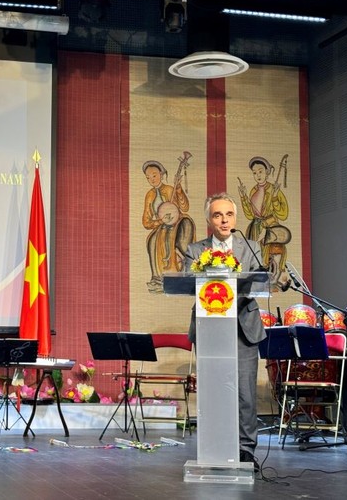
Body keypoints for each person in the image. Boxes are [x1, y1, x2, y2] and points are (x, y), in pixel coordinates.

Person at [185, 192, 265, 470]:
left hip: (243, 328)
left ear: (235, 217)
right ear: (209, 219)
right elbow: (187, 281)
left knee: (245, 394)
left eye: (228, 214)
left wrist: (232, 290)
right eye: (218, 215)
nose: (224, 220)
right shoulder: (196, 250)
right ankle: (213, 448)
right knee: (213, 392)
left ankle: (246, 450)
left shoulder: (251, 247)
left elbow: (258, 283)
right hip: (210, 330)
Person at [142, 159, 195, 293]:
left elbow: (184, 207)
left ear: (161, 173)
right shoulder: (149, 195)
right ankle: (157, 277)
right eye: (148, 177)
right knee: (152, 240)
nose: (152, 179)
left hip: (178, 221)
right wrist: (160, 221)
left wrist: (178, 190)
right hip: (162, 225)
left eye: (154, 175)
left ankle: (185, 271)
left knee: (182, 234)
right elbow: (146, 221)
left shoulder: (170, 189)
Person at [237, 156, 290, 287]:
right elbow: (250, 214)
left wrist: (275, 198)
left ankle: (275, 278)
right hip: (255, 228)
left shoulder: (273, 189)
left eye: (260, 171)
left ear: (267, 171)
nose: (258, 175)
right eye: (255, 173)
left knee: (273, 253)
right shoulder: (254, 190)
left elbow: (283, 214)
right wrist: (244, 197)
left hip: (271, 227)